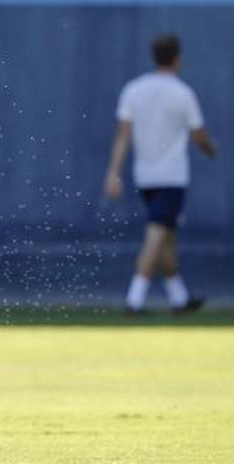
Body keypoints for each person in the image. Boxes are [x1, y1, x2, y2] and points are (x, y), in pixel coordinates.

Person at [104, 34, 216, 315]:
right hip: (172, 177)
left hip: (145, 176)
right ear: (177, 58)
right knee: (156, 236)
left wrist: (114, 172)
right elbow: (199, 134)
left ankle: (179, 298)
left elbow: (123, 135)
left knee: (166, 237)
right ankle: (135, 298)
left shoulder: (134, 89)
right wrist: (211, 149)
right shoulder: (182, 93)